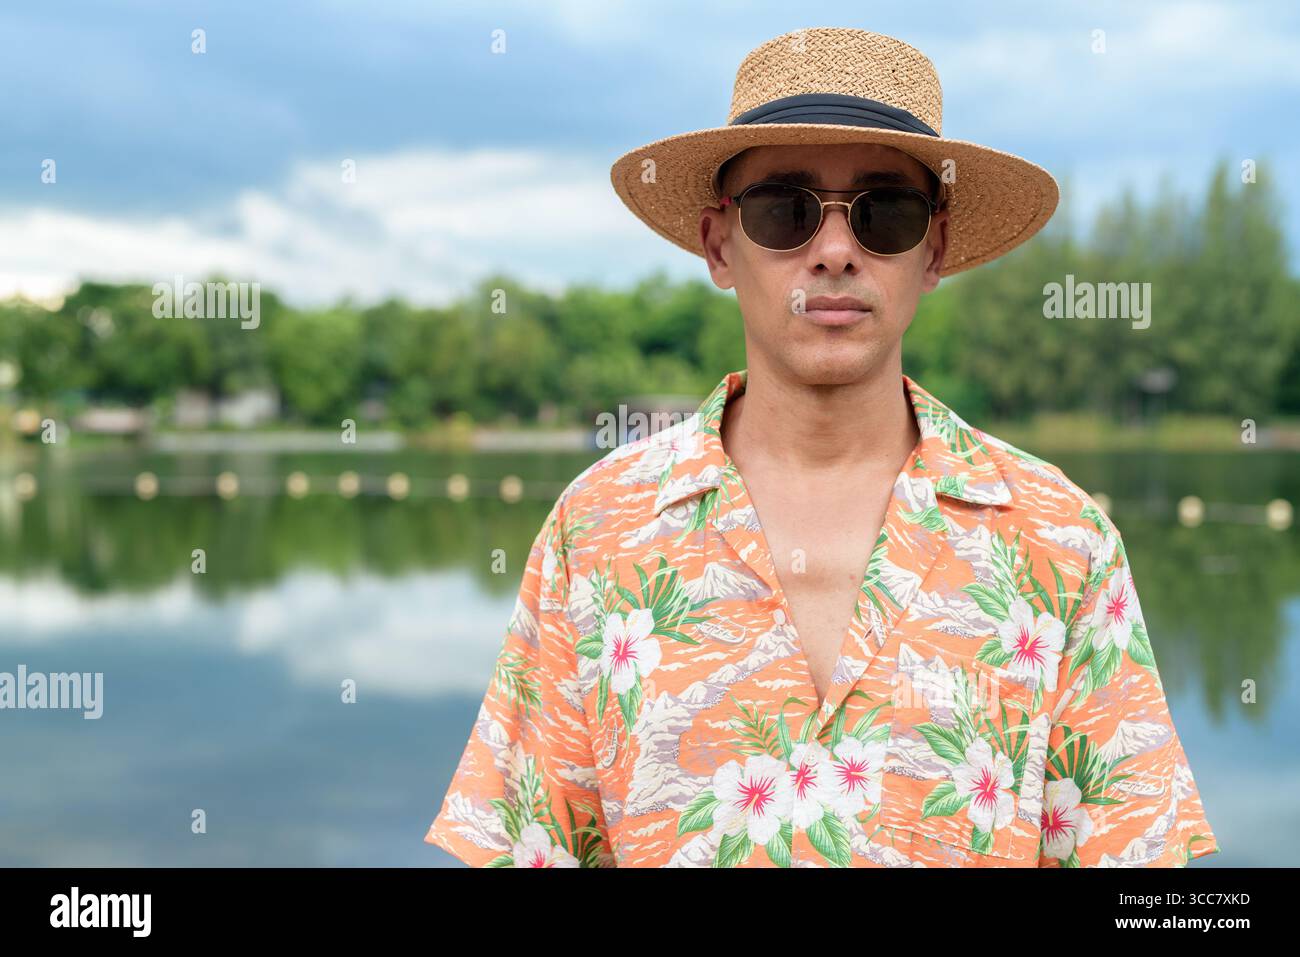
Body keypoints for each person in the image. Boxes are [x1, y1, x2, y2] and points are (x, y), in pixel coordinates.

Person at [424, 27, 1220, 868]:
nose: (836, 251)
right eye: (783, 210)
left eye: (886, 213)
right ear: (718, 244)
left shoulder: (1063, 543)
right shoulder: (593, 535)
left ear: (935, 248)